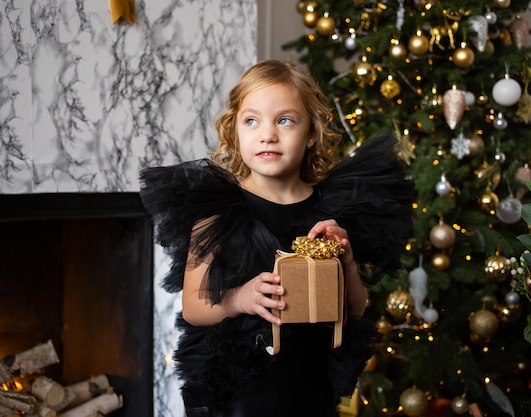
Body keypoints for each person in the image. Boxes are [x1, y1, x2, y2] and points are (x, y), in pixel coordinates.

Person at [139, 60, 414, 417]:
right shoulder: (219, 210)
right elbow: (192, 306)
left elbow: (357, 308)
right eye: (252, 121)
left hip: (310, 383)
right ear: (235, 130)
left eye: (285, 120)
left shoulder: (331, 210)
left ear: (312, 132)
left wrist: (345, 261)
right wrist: (240, 298)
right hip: (244, 390)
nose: (267, 134)